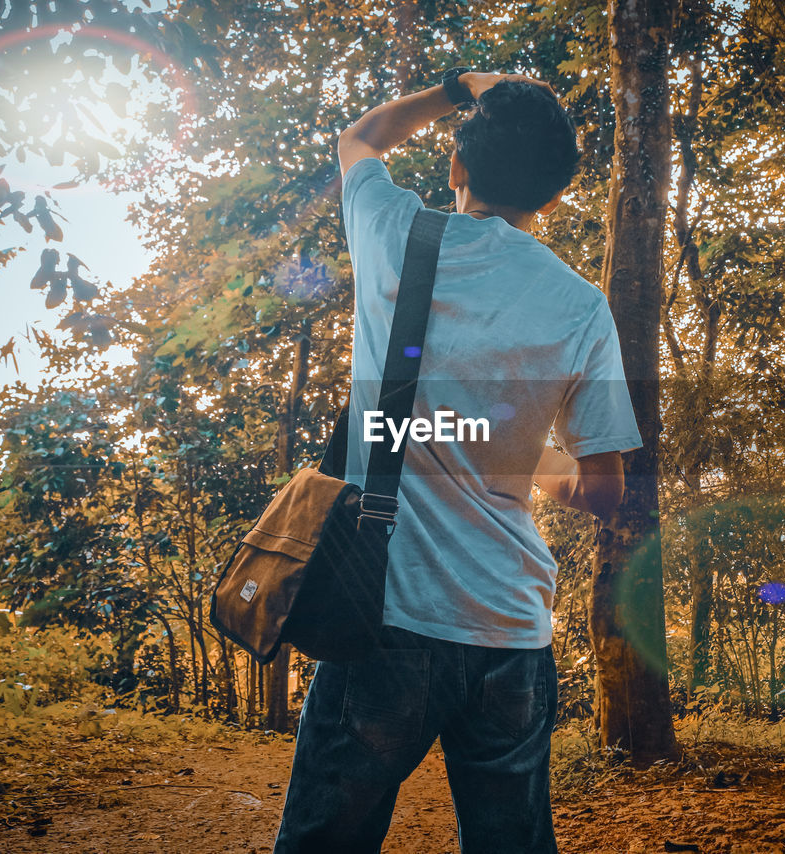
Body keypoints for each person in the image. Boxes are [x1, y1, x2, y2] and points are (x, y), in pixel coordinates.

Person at [273, 68, 641, 854]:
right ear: (553, 191)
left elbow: (360, 138)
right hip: (510, 626)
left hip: (386, 612)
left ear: (456, 168)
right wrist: (519, 457)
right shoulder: (580, 305)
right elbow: (605, 491)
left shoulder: (395, 231)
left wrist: (458, 86)